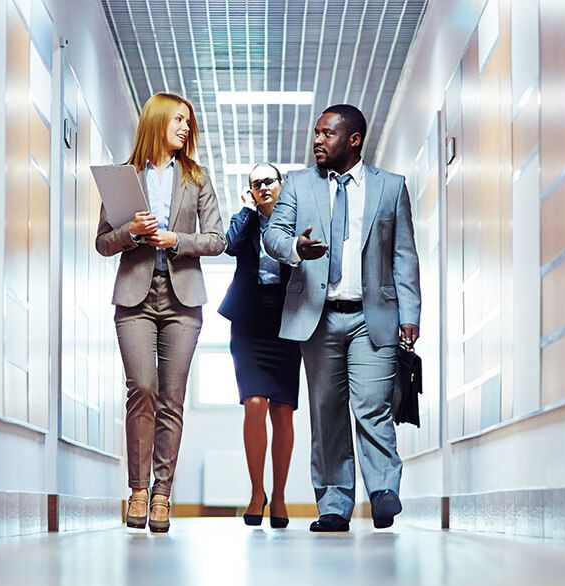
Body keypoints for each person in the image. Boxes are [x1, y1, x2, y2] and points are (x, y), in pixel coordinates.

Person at [262, 104, 421, 532]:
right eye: (316, 132)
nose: (317, 140)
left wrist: (411, 314)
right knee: (327, 413)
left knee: (373, 407)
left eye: (327, 133)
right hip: (318, 318)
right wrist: (296, 247)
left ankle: (384, 489)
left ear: (353, 140)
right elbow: (273, 235)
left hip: (374, 317)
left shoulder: (390, 187)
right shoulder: (297, 184)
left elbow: (404, 256)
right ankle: (334, 503)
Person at [95, 92, 225, 533]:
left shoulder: (197, 177)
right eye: (178, 120)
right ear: (156, 121)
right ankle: (136, 489)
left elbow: (216, 239)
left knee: (172, 399)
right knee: (143, 389)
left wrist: (175, 240)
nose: (186, 128)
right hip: (134, 297)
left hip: (183, 300)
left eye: (189, 122)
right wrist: (131, 231)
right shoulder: (122, 177)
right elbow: (102, 243)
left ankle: (162, 495)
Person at [219, 163, 300, 529]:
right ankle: (256, 492)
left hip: (288, 320)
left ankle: (280, 495)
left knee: (282, 410)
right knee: (254, 403)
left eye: (269, 181)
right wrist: (248, 209)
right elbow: (229, 245)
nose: (263, 187)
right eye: (256, 184)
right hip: (249, 321)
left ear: (282, 185)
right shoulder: (248, 219)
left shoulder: (296, 218)